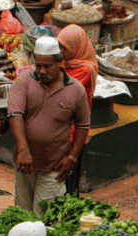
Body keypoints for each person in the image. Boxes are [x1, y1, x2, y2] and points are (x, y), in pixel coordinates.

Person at [8, 37, 90, 214]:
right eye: (38, 65)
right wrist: (23, 150)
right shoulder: (23, 82)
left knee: (43, 217)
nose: (41, 70)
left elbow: (83, 125)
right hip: (25, 164)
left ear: (60, 62)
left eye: (47, 66)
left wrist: (72, 157)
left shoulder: (76, 89)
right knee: (22, 214)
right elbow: (15, 115)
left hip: (54, 166)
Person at [57, 24, 98, 195]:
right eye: (58, 46)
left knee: (67, 181)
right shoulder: (66, 63)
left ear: (76, 47)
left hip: (73, 134)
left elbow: (61, 91)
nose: (60, 51)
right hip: (60, 131)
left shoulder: (85, 70)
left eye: (64, 48)